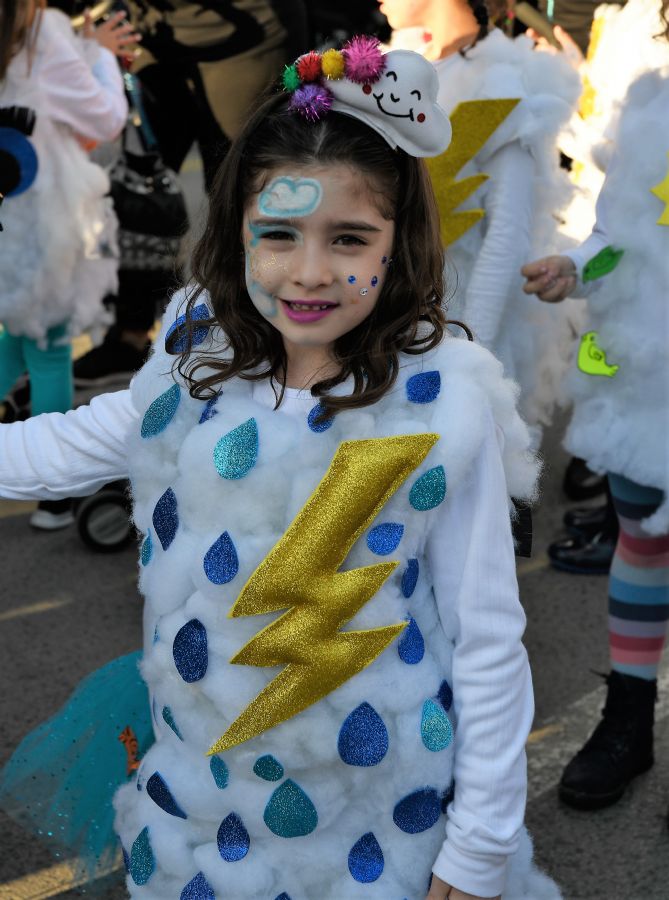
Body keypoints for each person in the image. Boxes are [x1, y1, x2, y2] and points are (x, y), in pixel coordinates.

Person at [0, 41, 559, 899]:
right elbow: (63, 446)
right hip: (205, 801)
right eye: (278, 236)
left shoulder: (439, 405)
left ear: (398, 241)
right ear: (236, 235)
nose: (308, 272)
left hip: (375, 816)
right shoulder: (197, 372)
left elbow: (486, 637)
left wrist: (479, 842)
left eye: (348, 238)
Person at [521, 41, 669, 813]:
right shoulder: (654, 111)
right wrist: (574, 269)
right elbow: (618, 237)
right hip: (650, 374)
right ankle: (628, 718)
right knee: (642, 540)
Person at [72, 0, 310, 392]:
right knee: (139, 184)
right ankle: (130, 337)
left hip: (241, 41)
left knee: (240, 191)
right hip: (153, 35)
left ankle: (259, 334)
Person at [383, 0, 580, 445]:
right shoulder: (395, 69)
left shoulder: (496, 86)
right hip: (383, 317)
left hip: (456, 319)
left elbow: (506, 237)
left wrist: (471, 357)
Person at [0, 0, 131, 528]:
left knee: (16, 336)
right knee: (50, 350)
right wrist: (99, 56)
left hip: (8, 219)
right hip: (46, 224)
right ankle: (54, 496)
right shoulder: (40, 35)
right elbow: (107, 117)